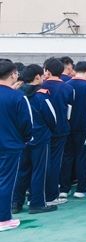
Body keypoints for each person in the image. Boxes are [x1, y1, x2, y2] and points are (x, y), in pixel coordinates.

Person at [13, 65, 58, 214]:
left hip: (21, 137)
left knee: (22, 170)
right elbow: (52, 117)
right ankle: (37, 203)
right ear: (37, 77)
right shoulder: (41, 95)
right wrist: (49, 130)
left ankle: (16, 202)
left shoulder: (17, 94)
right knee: (40, 170)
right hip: (40, 137)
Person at [0, 62, 31, 231]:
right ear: (12, 75)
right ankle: (3, 218)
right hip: (9, 145)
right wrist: (26, 139)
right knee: (6, 181)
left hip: (9, 143)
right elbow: (26, 123)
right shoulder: (18, 97)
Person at [63, 62, 86, 198]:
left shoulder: (66, 85)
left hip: (67, 126)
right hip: (85, 127)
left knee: (67, 156)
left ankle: (64, 188)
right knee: (83, 157)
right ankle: (81, 188)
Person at [42, 57, 73, 205]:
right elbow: (70, 109)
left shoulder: (41, 86)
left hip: (43, 129)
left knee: (40, 162)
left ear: (47, 71)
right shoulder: (68, 88)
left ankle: (37, 194)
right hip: (60, 128)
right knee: (55, 162)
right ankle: (52, 195)